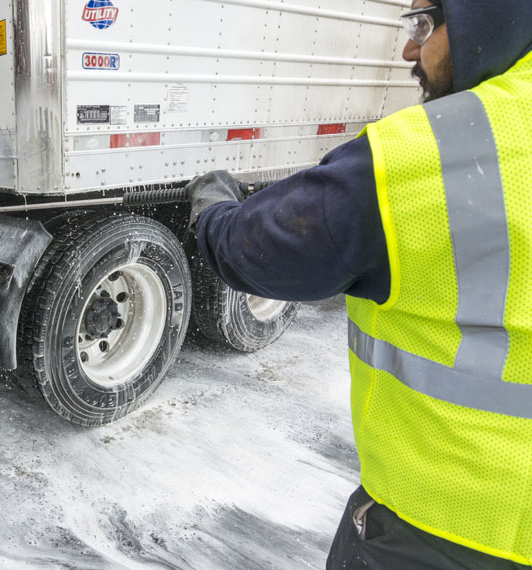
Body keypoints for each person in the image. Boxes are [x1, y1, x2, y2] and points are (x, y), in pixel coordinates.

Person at [187, 0, 532, 568]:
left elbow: (259, 252)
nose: (408, 49)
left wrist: (213, 205)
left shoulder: (436, 155)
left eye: (424, 24)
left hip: (440, 534)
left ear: (486, 17)